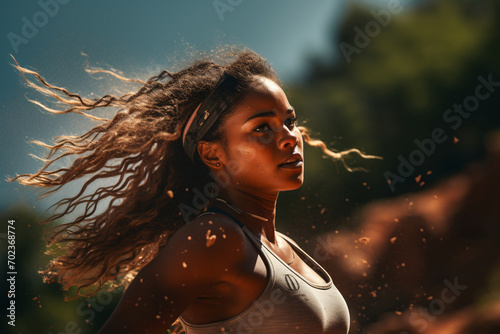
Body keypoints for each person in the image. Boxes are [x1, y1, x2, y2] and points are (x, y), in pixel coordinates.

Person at [11, 48, 378, 333]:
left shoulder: (281, 245)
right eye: (261, 128)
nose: (288, 138)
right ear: (213, 153)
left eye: (289, 121)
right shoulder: (213, 238)